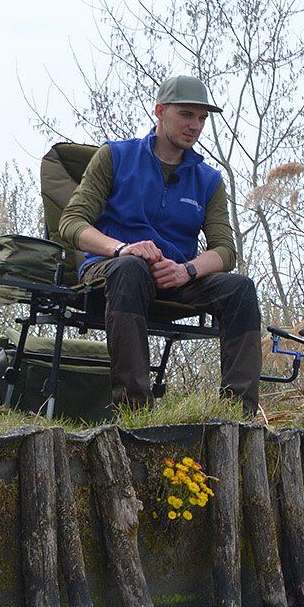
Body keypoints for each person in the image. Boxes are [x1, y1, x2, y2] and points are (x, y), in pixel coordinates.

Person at [58, 75, 263, 415]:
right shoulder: (115, 156)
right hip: (112, 270)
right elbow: (72, 223)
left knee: (240, 289)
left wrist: (187, 270)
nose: (195, 126)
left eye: (201, 118)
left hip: (174, 280)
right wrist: (122, 248)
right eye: (186, 115)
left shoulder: (209, 180)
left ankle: (239, 415)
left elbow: (225, 251)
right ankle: (134, 410)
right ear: (160, 111)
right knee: (131, 267)